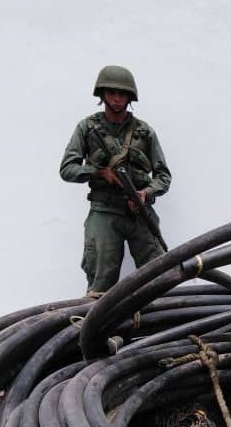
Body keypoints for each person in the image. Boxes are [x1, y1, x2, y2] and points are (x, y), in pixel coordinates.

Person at [60, 65, 171, 297]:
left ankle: (157, 318)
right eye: (112, 93)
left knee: (159, 275)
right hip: (104, 211)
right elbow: (67, 169)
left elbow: (163, 176)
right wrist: (99, 172)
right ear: (102, 94)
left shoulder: (144, 132)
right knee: (101, 283)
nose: (117, 99)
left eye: (122, 94)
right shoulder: (87, 128)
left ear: (130, 97)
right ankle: (101, 321)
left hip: (139, 211)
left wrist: (145, 193)